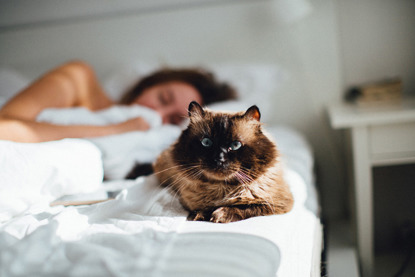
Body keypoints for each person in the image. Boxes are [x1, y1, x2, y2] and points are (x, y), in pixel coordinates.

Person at [0, 61, 236, 143]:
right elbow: (4, 127)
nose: (157, 112)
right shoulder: (78, 79)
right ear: (148, 85)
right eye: (163, 98)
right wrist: (116, 130)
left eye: (173, 119)